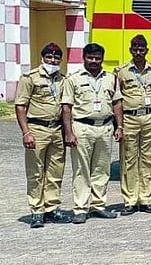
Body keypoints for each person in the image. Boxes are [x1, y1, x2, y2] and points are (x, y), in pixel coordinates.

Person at [60, 43, 122, 224]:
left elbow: (117, 103)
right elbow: (66, 108)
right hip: (82, 127)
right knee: (81, 169)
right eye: (90, 58)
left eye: (97, 58)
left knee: (102, 169)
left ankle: (98, 205)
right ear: (84, 58)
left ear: (102, 59)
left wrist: (119, 127)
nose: (94, 61)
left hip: (105, 127)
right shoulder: (73, 79)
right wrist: (68, 132)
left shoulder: (111, 78)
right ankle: (80, 208)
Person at [15, 42, 73, 228]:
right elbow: (20, 106)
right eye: (49, 57)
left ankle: (52, 208)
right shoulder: (29, 77)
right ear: (42, 58)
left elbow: (65, 108)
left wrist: (67, 132)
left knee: (55, 172)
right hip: (37, 129)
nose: (53, 60)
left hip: (56, 130)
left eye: (56, 58)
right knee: (35, 172)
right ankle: (37, 211)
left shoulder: (62, 80)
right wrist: (26, 132)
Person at [114, 34, 151, 215]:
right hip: (129, 119)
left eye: (141, 49)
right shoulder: (121, 71)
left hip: (150, 118)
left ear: (146, 50)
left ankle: (147, 199)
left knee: (149, 159)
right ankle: (130, 200)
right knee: (129, 160)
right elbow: (116, 100)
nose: (138, 52)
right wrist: (119, 125)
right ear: (130, 50)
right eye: (135, 49)